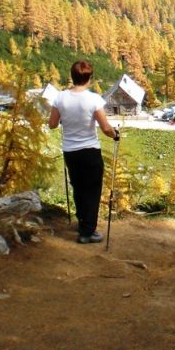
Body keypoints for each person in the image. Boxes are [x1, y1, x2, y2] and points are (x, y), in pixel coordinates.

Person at [49, 60, 118, 244]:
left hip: (70, 152)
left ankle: (83, 223)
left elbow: (52, 124)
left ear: (72, 77)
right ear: (89, 78)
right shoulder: (94, 99)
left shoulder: (60, 98)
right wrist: (115, 134)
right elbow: (105, 128)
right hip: (90, 151)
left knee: (78, 187)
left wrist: (66, 119)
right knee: (92, 190)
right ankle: (88, 232)